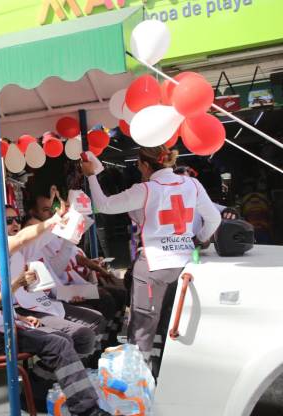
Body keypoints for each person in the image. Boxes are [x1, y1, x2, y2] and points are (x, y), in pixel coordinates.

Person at [0, 225, 127, 416]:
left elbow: (2, 306)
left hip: (8, 327)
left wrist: (22, 316)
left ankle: (48, 392)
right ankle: (87, 412)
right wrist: (16, 284)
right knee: (58, 343)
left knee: (67, 339)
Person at [81, 146, 221, 369]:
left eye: (138, 165)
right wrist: (196, 240)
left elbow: (103, 205)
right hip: (185, 266)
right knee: (172, 323)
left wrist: (91, 176)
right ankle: (166, 375)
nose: (138, 169)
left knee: (143, 329)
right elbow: (214, 218)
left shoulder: (145, 189)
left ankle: (139, 384)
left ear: (146, 165)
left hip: (153, 266)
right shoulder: (193, 184)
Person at [0, 206, 105, 359]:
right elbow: (24, 240)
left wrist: (65, 226)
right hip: (27, 308)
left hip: (49, 298)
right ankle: (49, 378)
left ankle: (88, 364)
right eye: (9, 221)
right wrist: (54, 221)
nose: (15, 224)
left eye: (17, 219)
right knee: (81, 333)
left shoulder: (32, 247)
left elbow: (46, 242)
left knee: (98, 315)